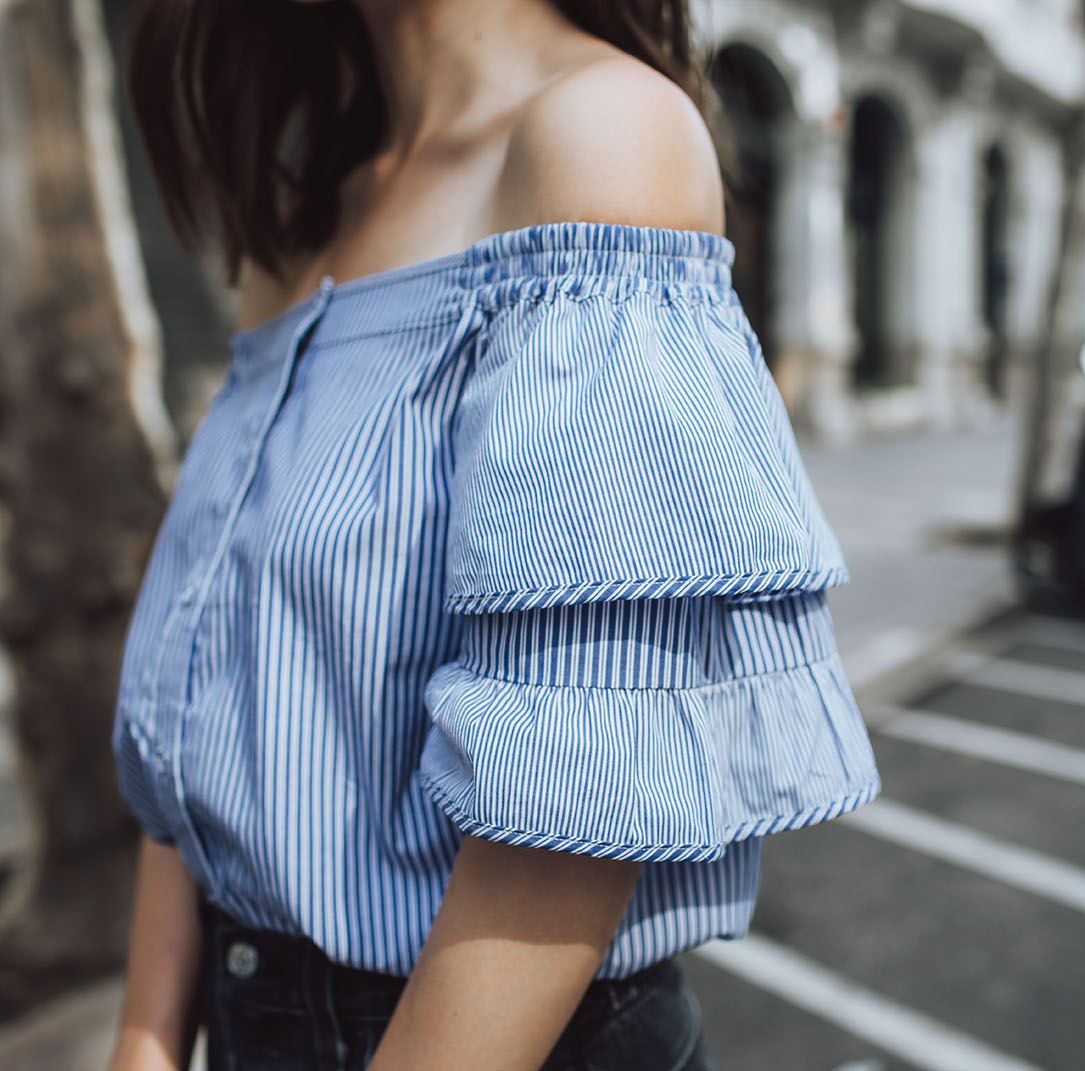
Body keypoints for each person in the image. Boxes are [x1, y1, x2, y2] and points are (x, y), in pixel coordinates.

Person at [103, 0, 881, 1069]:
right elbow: (202, 702)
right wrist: (144, 1045)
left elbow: (575, 795)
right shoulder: (305, 216)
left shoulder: (600, 136)